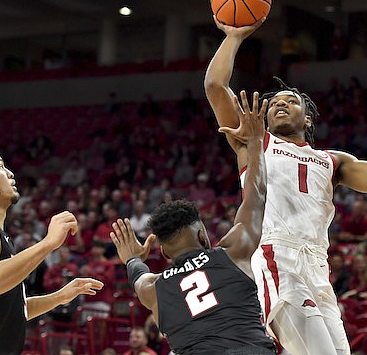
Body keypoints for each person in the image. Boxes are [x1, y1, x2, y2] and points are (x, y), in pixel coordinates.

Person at [204, 17, 367, 355]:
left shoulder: (333, 161)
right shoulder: (253, 141)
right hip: (277, 255)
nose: (279, 103)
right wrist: (233, 37)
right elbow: (216, 87)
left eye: (290, 100)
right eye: (275, 101)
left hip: (318, 267)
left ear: (307, 117)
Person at [110, 91, 276, 355]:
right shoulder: (233, 252)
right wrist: (256, 141)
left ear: (163, 252)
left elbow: (137, 276)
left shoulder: (154, 289)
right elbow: (257, 193)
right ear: (202, 235)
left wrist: (133, 258)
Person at [0, 144, 103, 354]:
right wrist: (48, 244)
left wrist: (60, 297)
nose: (11, 173)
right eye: (0, 166)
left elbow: (11, 310)